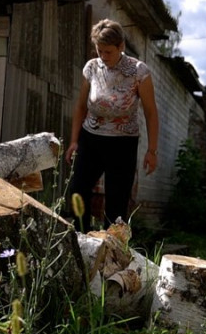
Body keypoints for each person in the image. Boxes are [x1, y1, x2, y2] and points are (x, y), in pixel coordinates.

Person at [65, 18, 159, 233]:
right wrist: (73, 141)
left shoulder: (138, 72)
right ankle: (82, 239)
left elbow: (151, 113)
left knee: (116, 202)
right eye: (100, 51)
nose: (103, 57)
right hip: (91, 138)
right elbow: (80, 106)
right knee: (78, 191)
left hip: (123, 142)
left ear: (121, 46)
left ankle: (111, 252)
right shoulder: (91, 68)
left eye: (108, 51)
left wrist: (152, 150)